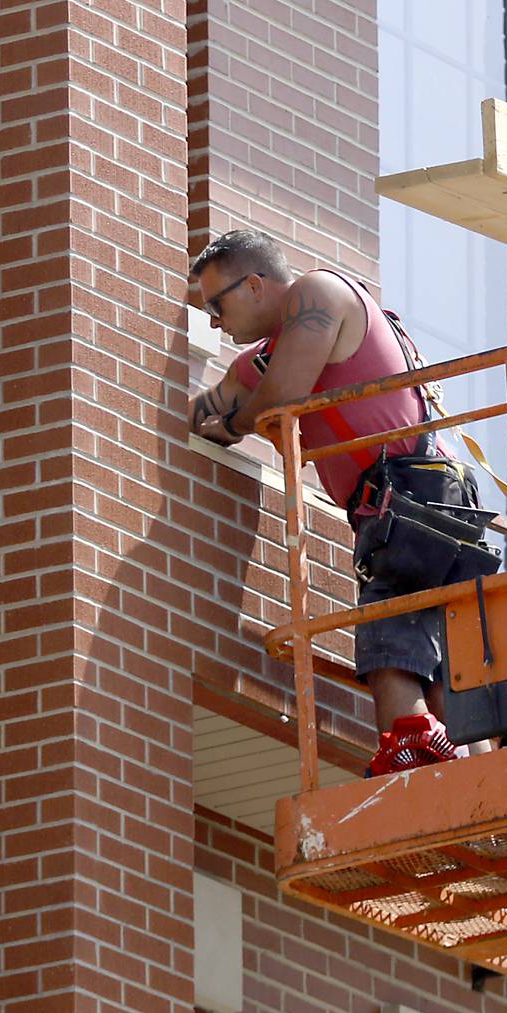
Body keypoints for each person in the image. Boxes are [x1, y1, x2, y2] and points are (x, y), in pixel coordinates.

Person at [189, 229, 476, 776]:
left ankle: (412, 776)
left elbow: (283, 400)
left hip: (413, 496)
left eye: (215, 303)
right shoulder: (273, 352)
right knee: (439, 662)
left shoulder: (318, 294)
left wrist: (232, 425)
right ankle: (467, 775)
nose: (212, 321)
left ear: (253, 286)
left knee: (390, 640)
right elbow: (218, 399)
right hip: (408, 500)